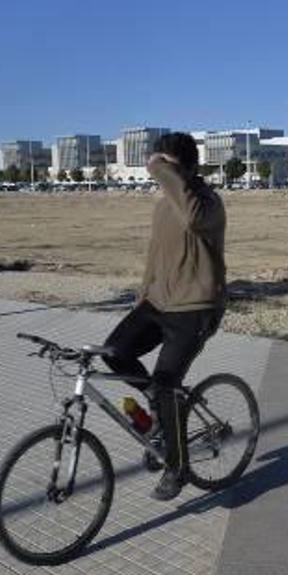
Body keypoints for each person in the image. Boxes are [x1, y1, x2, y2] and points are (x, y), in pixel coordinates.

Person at [102, 132, 226, 501]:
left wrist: (161, 167)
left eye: (166, 167)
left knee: (167, 383)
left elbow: (190, 217)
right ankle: (158, 407)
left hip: (196, 308)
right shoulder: (161, 207)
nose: (157, 173)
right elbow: (156, 255)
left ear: (186, 168)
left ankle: (178, 467)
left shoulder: (208, 204)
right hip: (158, 303)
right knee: (115, 353)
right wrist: (143, 296)